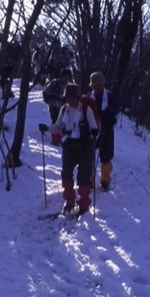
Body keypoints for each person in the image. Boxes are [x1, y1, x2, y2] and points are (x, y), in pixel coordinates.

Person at [40, 83, 99, 215]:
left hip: (84, 146)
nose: (71, 100)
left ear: (78, 97)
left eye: (73, 97)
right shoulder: (64, 110)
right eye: (68, 98)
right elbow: (58, 127)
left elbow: (94, 126)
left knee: (83, 176)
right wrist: (47, 129)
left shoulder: (85, 109)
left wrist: (94, 131)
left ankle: (84, 205)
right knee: (66, 174)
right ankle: (70, 201)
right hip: (68, 146)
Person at [87, 71, 119, 191]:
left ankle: (105, 180)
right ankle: (89, 179)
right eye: (95, 85)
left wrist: (108, 114)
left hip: (107, 130)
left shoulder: (110, 96)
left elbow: (115, 110)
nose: (98, 87)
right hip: (91, 130)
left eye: (100, 85)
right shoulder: (88, 97)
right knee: (89, 155)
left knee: (106, 156)